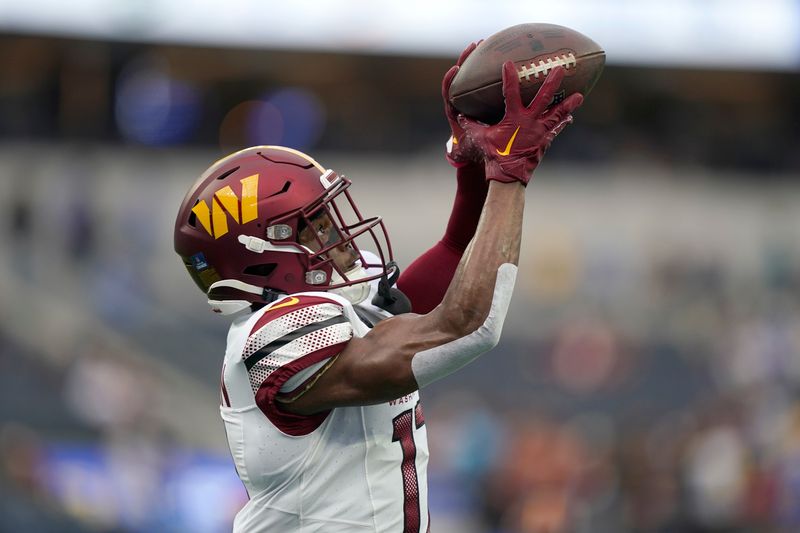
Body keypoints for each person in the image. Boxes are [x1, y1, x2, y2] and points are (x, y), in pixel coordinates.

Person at [173, 41, 583, 532]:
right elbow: (463, 325)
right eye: (316, 224)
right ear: (264, 254)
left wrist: (476, 174)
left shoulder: (335, 310)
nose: (339, 233)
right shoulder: (272, 336)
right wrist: (510, 173)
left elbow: (454, 254)